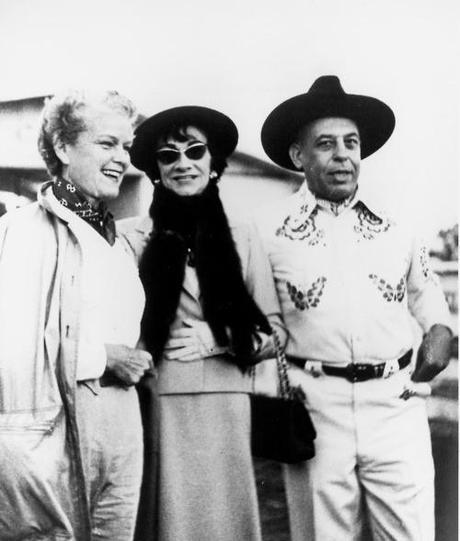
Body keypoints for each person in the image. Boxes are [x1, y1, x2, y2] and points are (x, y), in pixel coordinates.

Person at [258, 75, 453, 541]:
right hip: (314, 407)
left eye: (351, 143)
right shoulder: (268, 231)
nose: (342, 154)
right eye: (325, 144)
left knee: (410, 533)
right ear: (298, 156)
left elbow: (427, 295)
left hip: (394, 403)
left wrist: (440, 333)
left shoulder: (397, 226)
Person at [120, 105, 286, 541]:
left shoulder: (242, 233)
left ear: (214, 164)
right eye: (168, 156)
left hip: (227, 400)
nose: (183, 164)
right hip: (158, 398)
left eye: (195, 151)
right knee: (169, 519)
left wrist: (221, 337)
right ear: (155, 170)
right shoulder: (130, 237)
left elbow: (276, 331)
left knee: (224, 520)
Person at [0, 90, 152, 541]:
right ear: (63, 148)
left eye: (126, 146)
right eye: (107, 144)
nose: (122, 158)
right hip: (56, 421)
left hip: (122, 421)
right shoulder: (23, 231)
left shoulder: (117, 239)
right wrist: (105, 358)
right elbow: (13, 345)